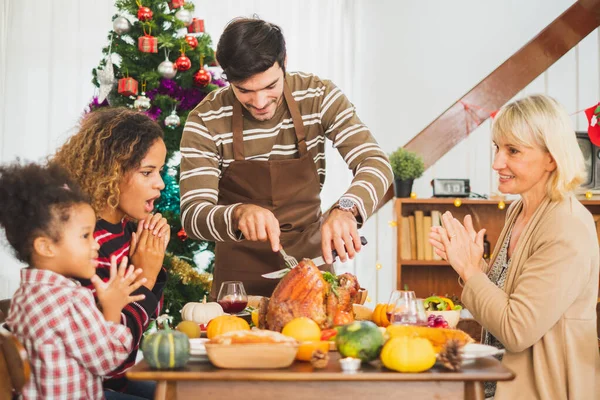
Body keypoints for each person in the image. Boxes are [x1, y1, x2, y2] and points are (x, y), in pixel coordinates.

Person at [180, 17, 393, 297]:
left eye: (270, 86)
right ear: (227, 77)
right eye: (244, 90)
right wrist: (238, 214)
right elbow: (193, 215)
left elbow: (375, 162)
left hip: (312, 272)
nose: (259, 102)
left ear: (284, 62)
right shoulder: (205, 119)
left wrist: (347, 209)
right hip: (238, 286)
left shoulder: (318, 96)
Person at [429, 94, 600, 399]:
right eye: (497, 148)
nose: (497, 163)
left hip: (547, 390)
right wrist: (469, 263)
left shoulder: (567, 226)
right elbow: (507, 300)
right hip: (500, 384)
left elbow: (516, 329)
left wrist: (471, 271)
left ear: (552, 158)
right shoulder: (517, 211)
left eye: (513, 151)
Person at [1, 162, 147, 399]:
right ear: (46, 247)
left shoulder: (26, 294)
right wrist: (112, 308)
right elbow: (108, 361)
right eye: (85, 235)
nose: (96, 243)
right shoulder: (68, 300)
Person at [52, 108, 170, 399]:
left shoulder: (125, 231)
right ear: (110, 172)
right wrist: (146, 275)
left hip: (115, 379)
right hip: (85, 385)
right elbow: (109, 353)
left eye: (160, 171)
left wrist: (149, 266)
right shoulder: (87, 241)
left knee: (191, 392)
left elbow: (147, 316)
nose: (161, 183)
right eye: (147, 172)